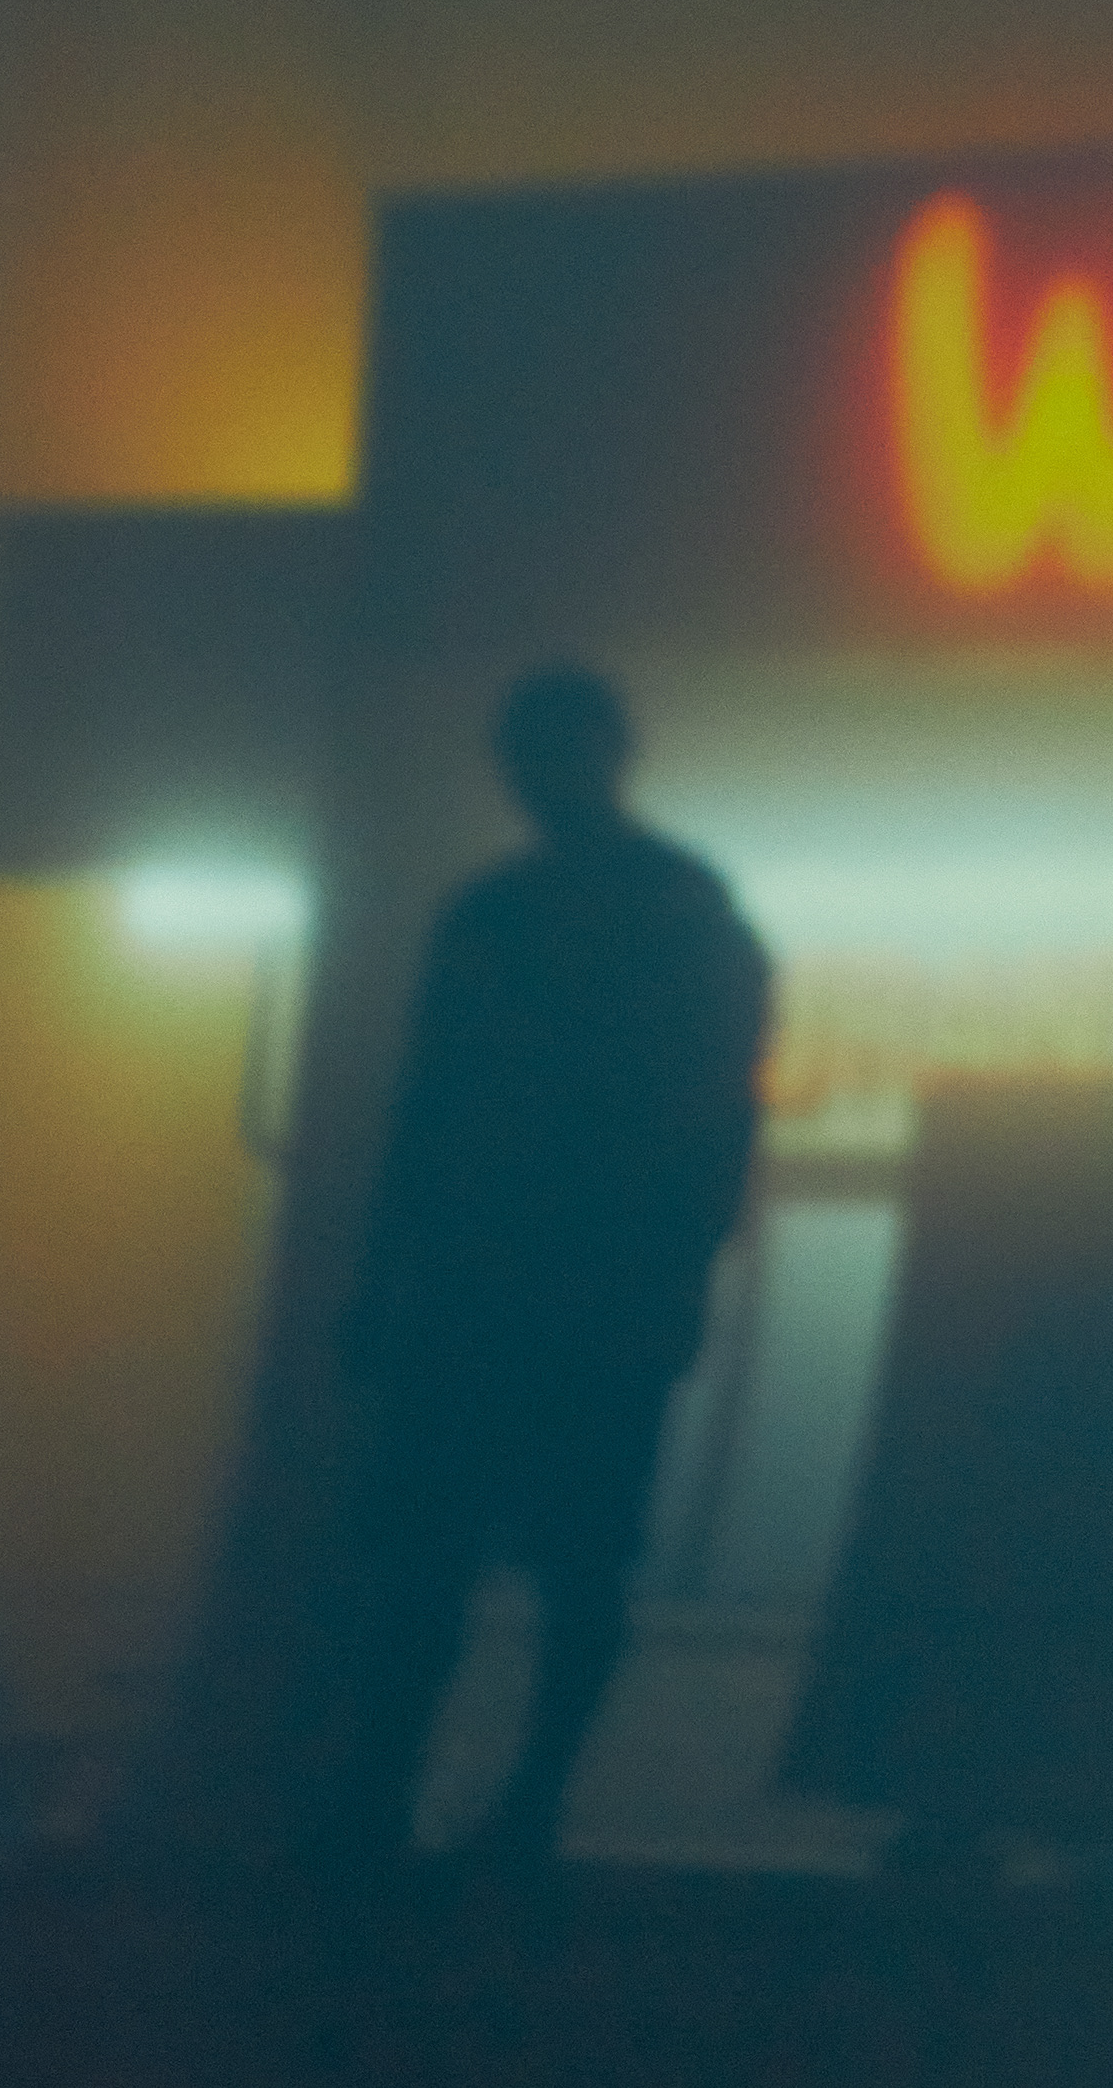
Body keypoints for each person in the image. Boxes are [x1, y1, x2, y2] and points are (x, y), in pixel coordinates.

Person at [333, 664, 769, 1869]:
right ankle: (516, 1799)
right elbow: (714, 1115)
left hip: (495, 1286)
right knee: (566, 1556)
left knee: (446, 1551)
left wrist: (383, 1274)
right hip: (587, 1289)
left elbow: (429, 1112)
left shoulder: (495, 917)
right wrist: (681, 1276)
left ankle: (399, 1793)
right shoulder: (675, 909)